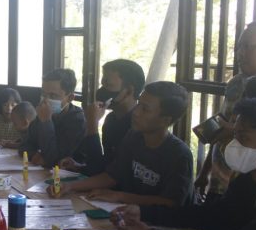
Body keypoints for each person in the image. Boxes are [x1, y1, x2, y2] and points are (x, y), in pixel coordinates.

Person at [112, 98, 256, 230]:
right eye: (234, 135)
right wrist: (144, 212)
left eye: (244, 138)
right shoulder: (248, 180)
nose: (234, 145)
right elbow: (213, 217)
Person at [48, 81, 193, 207]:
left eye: (145, 109)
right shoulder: (133, 137)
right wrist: (69, 186)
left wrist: (120, 196)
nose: (136, 112)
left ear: (165, 120)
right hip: (127, 213)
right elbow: (112, 176)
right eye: (139, 105)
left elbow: (171, 203)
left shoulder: (178, 154)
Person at [195, 21, 256, 202]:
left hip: (250, 189)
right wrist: (204, 173)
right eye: (239, 46)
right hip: (218, 184)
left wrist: (236, 132)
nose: (240, 53)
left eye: (249, 46)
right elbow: (221, 129)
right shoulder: (236, 83)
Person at [60, 59, 145, 176]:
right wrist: (80, 167)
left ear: (129, 91)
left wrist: (92, 123)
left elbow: (107, 172)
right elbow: (105, 164)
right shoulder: (111, 120)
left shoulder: (138, 125)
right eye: (102, 84)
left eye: (108, 85)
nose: (102, 91)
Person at [19, 68, 85, 168]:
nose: (45, 100)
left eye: (53, 95)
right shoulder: (43, 113)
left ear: (70, 98)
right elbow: (24, 146)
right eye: (43, 94)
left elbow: (54, 158)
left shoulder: (77, 120)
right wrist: (34, 154)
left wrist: (46, 121)